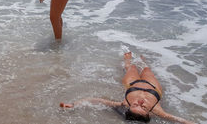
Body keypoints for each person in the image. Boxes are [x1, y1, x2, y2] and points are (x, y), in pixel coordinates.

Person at [60, 52, 195, 124]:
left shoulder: (124, 104)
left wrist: (73, 104)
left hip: (132, 84)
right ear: (149, 114)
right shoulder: (158, 111)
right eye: (143, 108)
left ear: (129, 107)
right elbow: (181, 121)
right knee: (146, 68)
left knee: (131, 68)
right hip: (153, 87)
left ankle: (128, 62)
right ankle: (143, 61)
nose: (140, 103)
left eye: (135, 104)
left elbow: (96, 101)